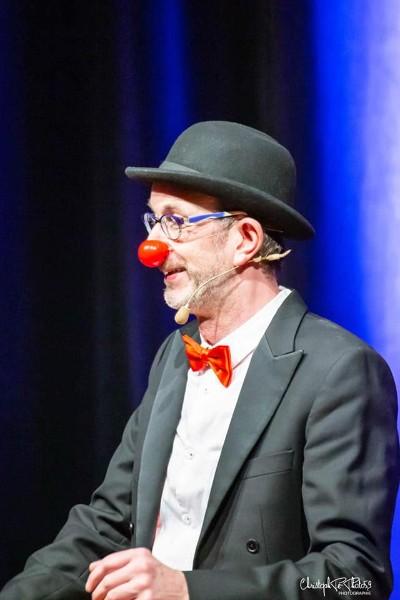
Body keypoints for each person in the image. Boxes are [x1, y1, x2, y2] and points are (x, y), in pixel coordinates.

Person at [1, 121, 399, 600]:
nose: (153, 248)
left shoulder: (339, 370)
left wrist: (187, 589)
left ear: (245, 239)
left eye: (176, 221)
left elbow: (355, 579)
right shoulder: (175, 354)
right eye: (153, 222)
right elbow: (106, 522)